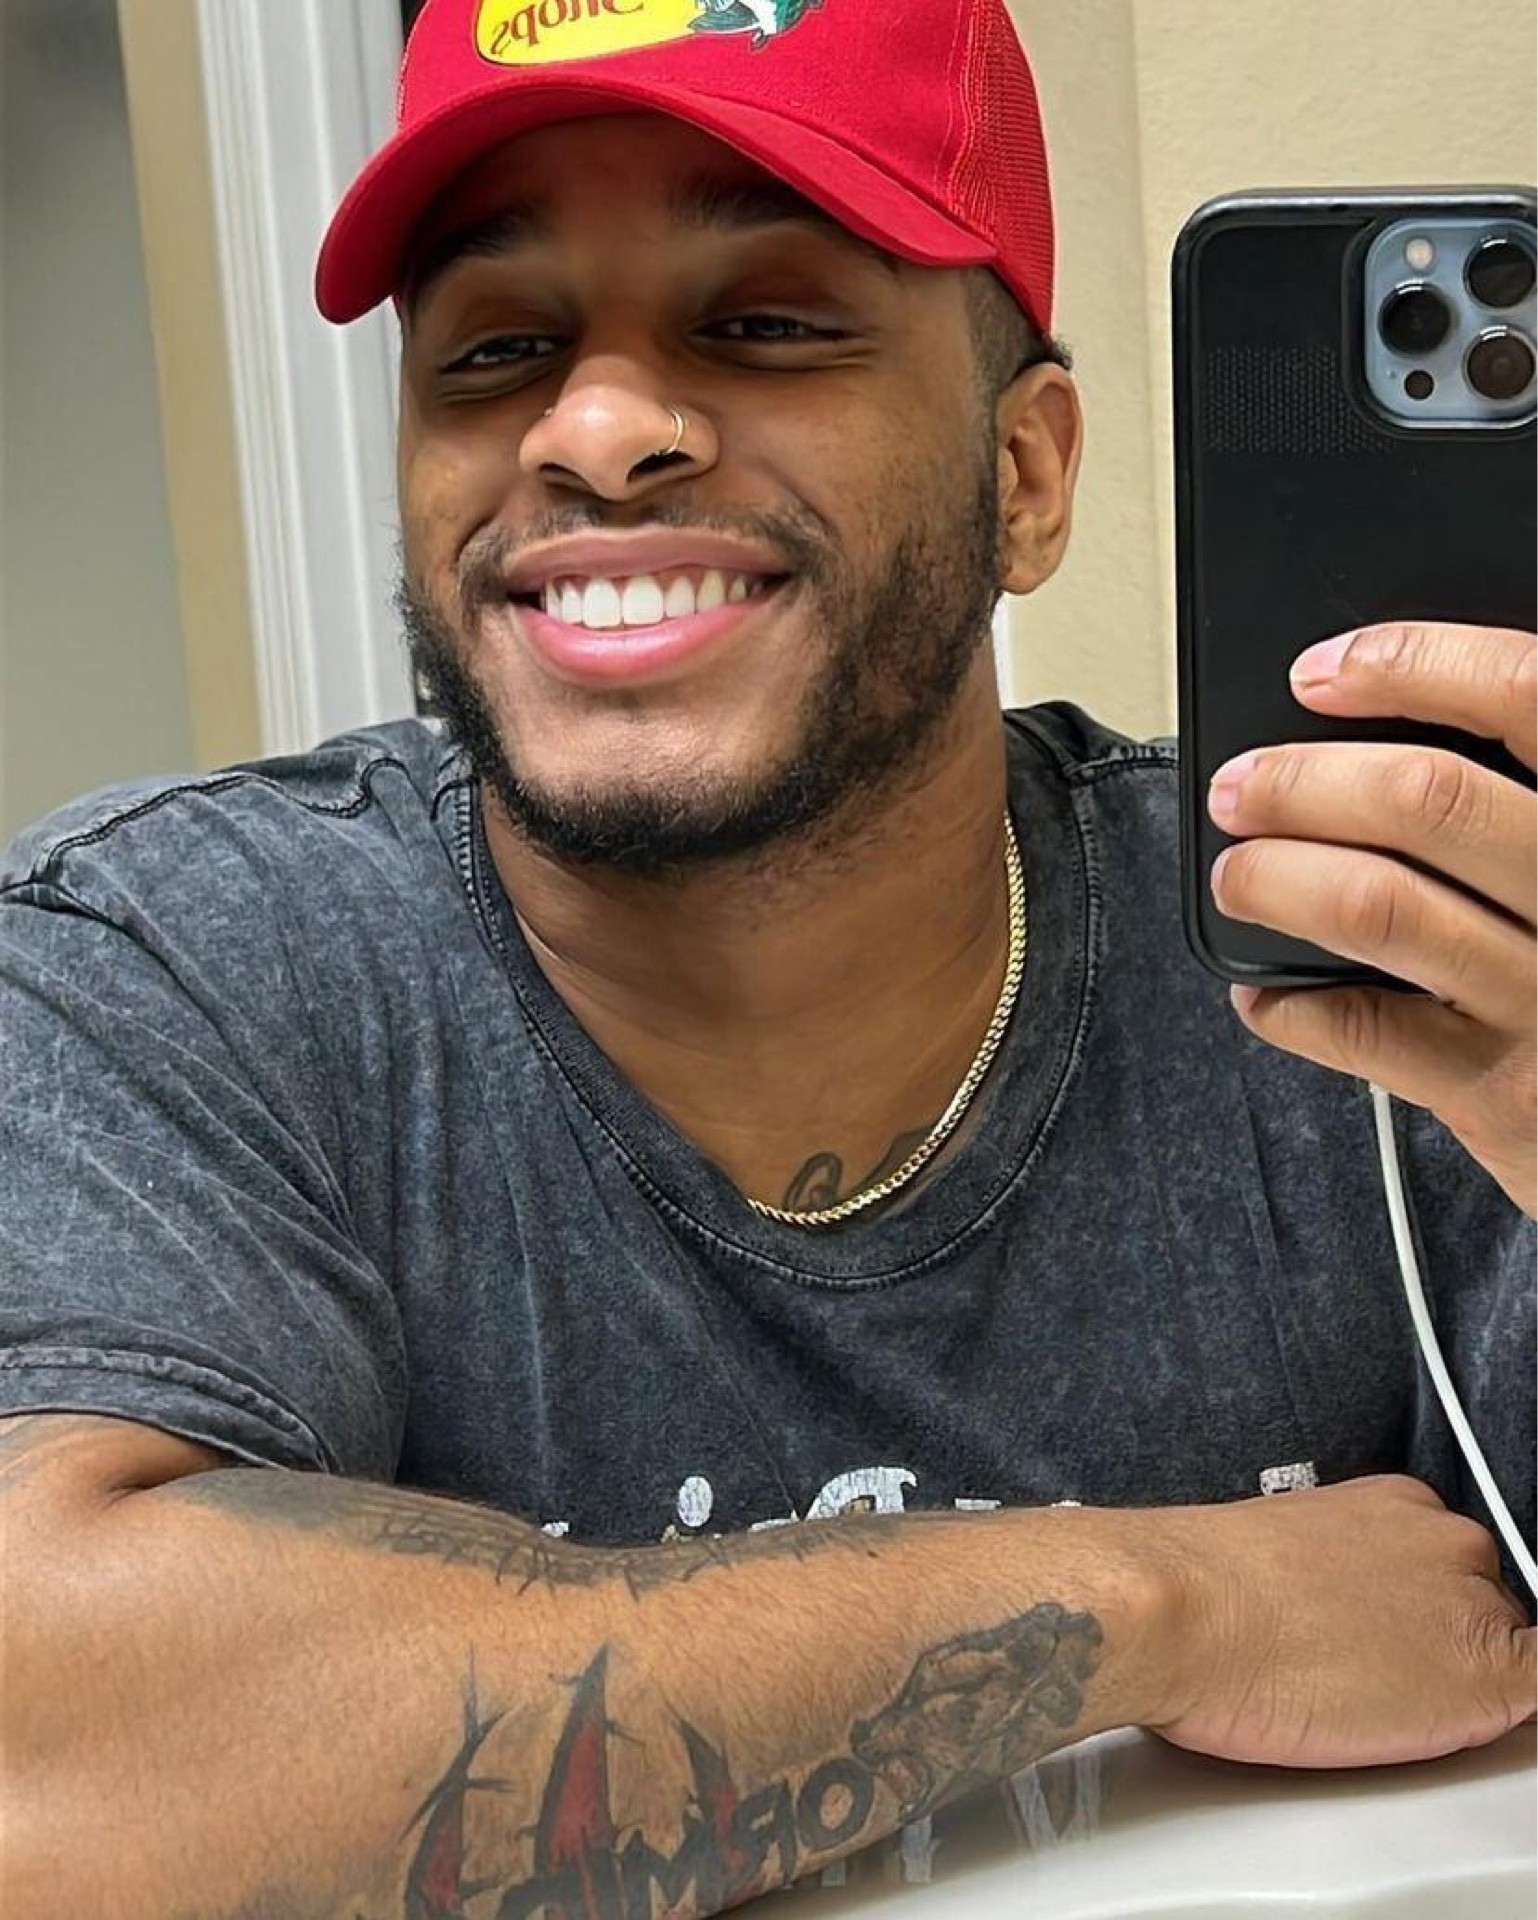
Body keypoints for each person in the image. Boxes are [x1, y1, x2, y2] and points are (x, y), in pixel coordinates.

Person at [1, 1, 1533, 1913]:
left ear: (1025, 476)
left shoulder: (1357, 945)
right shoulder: (175, 971)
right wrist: (1158, 1600)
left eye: (765, 322)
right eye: (495, 348)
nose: (594, 432)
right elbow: (46, 1760)